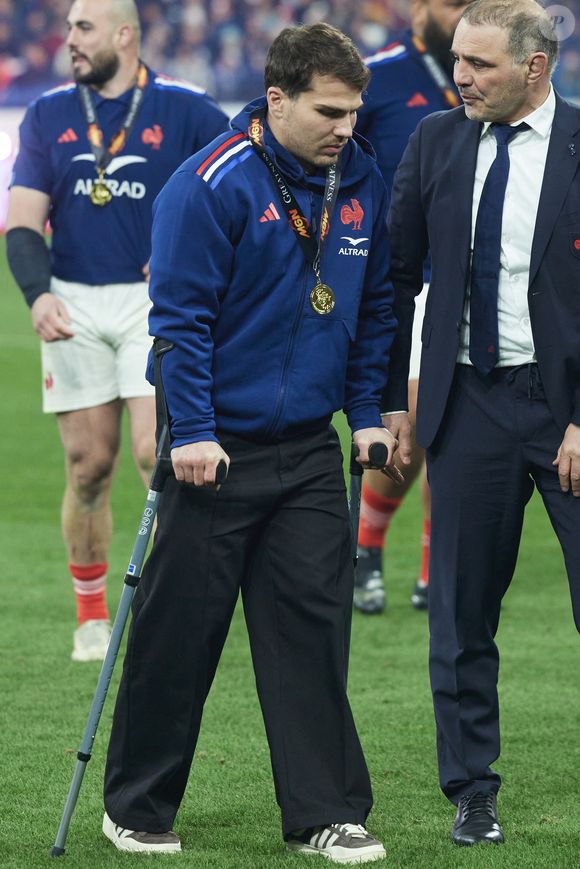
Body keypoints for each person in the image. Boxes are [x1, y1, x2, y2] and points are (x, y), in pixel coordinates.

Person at [101, 22, 403, 862]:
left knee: (312, 630)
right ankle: (136, 805)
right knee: (179, 635)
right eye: (329, 111)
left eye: (353, 112)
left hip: (309, 449)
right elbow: (180, 321)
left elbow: (372, 306)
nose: (346, 127)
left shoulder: (362, 178)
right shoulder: (210, 183)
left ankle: (325, 812)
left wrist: (369, 410)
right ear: (275, 101)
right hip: (214, 449)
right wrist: (190, 429)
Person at [382, 0, 580, 846]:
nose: (460, 76)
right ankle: (472, 791)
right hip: (467, 405)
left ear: (535, 66)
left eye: (481, 64)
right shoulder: (435, 141)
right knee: (462, 615)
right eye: (458, 59)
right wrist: (394, 400)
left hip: (568, 410)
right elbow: (391, 279)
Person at [6, 0, 229, 662]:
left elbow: (240, 179)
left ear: (124, 36)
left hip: (151, 303)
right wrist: (37, 293)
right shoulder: (48, 113)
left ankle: (162, 609)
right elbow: (22, 219)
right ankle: (91, 616)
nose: (68, 40)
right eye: (70, 28)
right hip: (72, 299)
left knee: (150, 455)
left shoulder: (187, 108)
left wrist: (188, 247)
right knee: (89, 464)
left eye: (83, 29)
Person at [354, 0, 474, 615]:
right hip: (405, 283)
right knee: (418, 427)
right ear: (420, 8)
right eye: (450, 3)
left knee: (454, 431)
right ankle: (367, 550)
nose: (459, 15)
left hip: (475, 284)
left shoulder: (491, 74)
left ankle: (433, 569)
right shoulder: (377, 78)